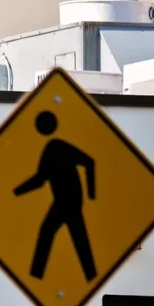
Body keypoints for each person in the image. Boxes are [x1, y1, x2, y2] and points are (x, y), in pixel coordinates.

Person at [15, 110, 97, 282]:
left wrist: (92, 194)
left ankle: (36, 275)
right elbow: (40, 180)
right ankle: (90, 275)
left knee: (48, 232)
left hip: (68, 201)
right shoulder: (51, 148)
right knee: (77, 238)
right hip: (66, 201)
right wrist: (17, 192)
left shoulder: (56, 146)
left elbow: (90, 162)